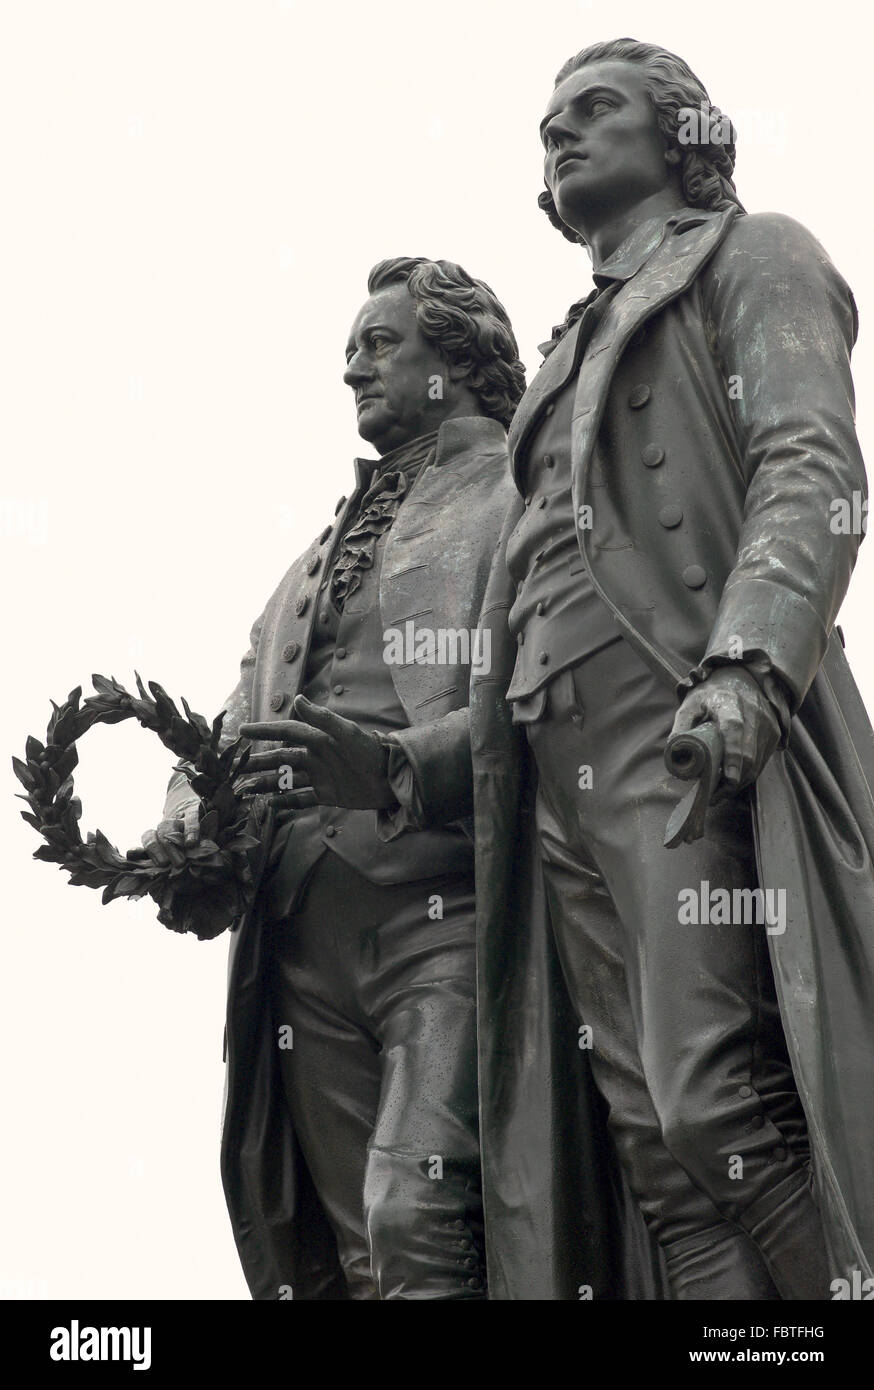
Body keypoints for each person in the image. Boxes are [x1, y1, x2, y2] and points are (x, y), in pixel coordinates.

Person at [473, 38, 874, 1299]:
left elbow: (811, 467)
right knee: (653, 1147)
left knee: (715, 1102)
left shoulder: (752, 256)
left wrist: (749, 664)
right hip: (551, 771)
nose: (561, 135)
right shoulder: (550, 364)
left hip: (675, 716)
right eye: (549, 124)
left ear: (684, 135)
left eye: (596, 110)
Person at [141, 257, 525, 1299]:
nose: (352, 368)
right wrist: (188, 825)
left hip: (446, 914)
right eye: (349, 349)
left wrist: (398, 764)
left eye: (380, 344)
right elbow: (228, 727)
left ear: (460, 359)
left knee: (420, 1211)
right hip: (301, 941)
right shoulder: (305, 563)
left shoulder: (524, 497)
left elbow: (551, 701)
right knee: (354, 1251)